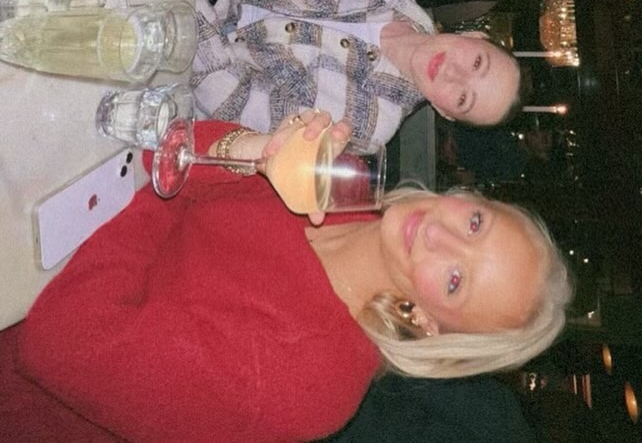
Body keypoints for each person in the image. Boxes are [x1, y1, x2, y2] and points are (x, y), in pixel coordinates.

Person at [11, 112, 572, 443]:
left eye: (454, 280)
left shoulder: (308, 385)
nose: (439, 235)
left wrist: (168, 188)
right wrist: (254, 149)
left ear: (427, 324)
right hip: (42, 210)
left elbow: (60, 343)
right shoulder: (348, 185)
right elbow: (175, 142)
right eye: (475, 224)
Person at [192, 0, 521, 148]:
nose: (454, 74)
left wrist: (190, 4)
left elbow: (230, 101)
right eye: (477, 63)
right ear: (475, 36)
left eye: (462, 98)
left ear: (445, 112)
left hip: (183, 63)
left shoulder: (366, 125)